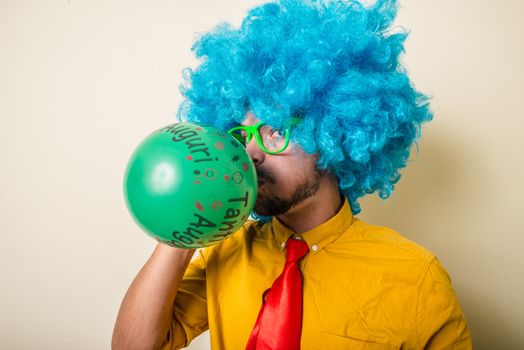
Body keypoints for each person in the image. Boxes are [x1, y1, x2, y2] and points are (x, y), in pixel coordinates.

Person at [112, 0, 473, 349]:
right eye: (241, 135)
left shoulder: (415, 277)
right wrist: (185, 223)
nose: (250, 154)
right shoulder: (223, 253)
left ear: (333, 136)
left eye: (276, 131)